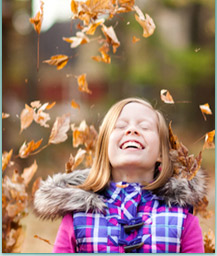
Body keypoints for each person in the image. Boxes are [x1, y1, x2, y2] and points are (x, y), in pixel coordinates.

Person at [34, 97, 206, 253]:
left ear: (161, 153)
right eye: (121, 126)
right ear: (105, 149)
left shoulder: (182, 220)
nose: (132, 130)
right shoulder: (77, 218)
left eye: (144, 127)